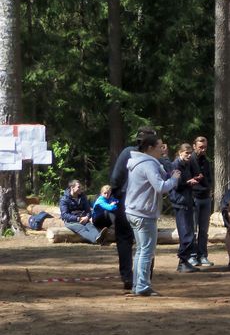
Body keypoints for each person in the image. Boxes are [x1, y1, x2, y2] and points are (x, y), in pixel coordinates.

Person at [125, 134, 181, 296]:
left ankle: (138, 285)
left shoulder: (138, 162)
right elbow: (161, 187)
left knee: (141, 250)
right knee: (147, 251)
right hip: (143, 213)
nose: (162, 150)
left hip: (134, 211)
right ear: (149, 148)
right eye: (159, 147)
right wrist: (174, 179)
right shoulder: (148, 164)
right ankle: (142, 286)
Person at [109, 126, 156, 289]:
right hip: (142, 204)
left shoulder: (127, 153)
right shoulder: (152, 158)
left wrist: (118, 196)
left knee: (125, 240)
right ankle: (143, 277)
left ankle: (128, 277)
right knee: (146, 241)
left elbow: (115, 179)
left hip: (125, 201)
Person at [169, 143, 200, 273]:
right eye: (186, 153)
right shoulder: (175, 165)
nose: (189, 155)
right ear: (180, 152)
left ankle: (185, 260)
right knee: (185, 233)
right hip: (180, 202)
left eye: (190, 153)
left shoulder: (187, 164)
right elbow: (175, 184)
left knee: (189, 232)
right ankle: (182, 261)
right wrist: (188, 183)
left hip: (187, 201)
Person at [60, 180, 111, 244]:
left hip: (84, 219)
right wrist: (78, 218)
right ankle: (96, 240)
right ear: (72, 187)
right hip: (71, 222)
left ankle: (99, 237)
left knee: (91, 227)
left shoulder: (82, 197)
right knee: (82, 228)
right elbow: (64, 215)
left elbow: (88, 210)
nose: (80, 189)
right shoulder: (64, 199)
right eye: (78, 187)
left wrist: (87, 217)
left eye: (80, 187)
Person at [189, 136, 214, 267]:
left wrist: (208, 187)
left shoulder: (207, 161)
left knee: (204, 229)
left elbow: (209, 178)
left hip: (206, 198)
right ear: (194, 146)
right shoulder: (190, 160)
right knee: (193, 229)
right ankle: (192, 255)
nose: (203, 149)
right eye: (200, 147)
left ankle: (203, 255)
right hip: (194, 198)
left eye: (205, 147)